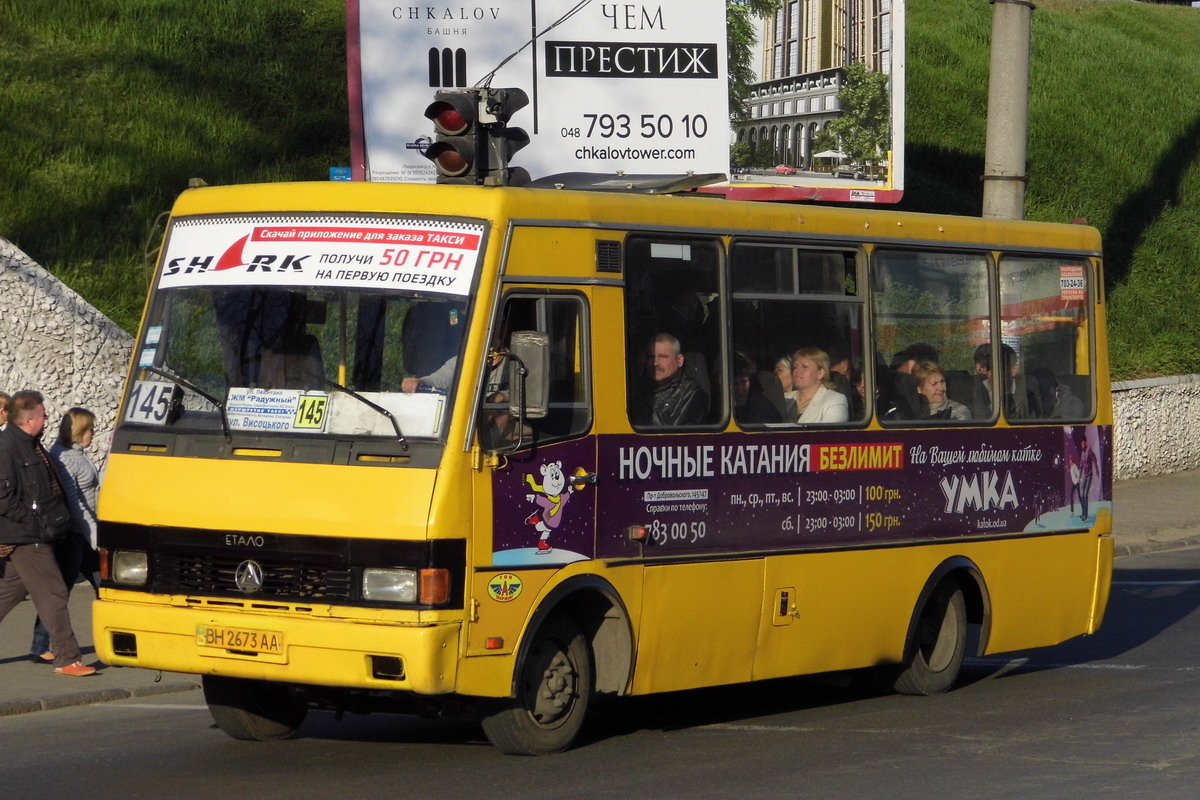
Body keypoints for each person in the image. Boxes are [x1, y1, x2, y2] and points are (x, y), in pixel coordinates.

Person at [0, 391, 96, 676]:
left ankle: (65, 657)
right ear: (29, 420)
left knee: (6, 594)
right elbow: (3, 497)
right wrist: (35, 524)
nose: (47, 418)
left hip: (37, 534)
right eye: (43, 414)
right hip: (28, 537)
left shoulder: (32, 445)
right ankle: (67, 659)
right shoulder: (7, 448)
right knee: (54, 594)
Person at [29, 408, 103, 663]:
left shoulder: (78, 454)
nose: (94, 433)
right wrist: (95, 535)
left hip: (86, 533)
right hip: (73, 536)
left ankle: (116, 639)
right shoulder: (62, 457)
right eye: (90, 429)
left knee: (105, 586)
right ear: (79, 431)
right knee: (59, 592)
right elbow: (75, 501)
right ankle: (40, 647)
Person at [638, 333, 707, 426]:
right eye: (651, 357)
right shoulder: (637, 389)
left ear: (679, 361)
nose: (655, 363)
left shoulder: (691, 394)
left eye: (662, 357)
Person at [791, 346, 849, 424]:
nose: (797, 370)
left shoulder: (835, 401)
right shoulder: (784, 398)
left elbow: (829, 435)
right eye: (795, 366)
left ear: (820, 373)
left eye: (804, 366)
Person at [733, 353, 782, 424]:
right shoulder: (716, 406)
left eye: (744, 382)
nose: (740, 391)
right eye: (735, 384)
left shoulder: (763, 409)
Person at [1078, 437, 1099, 521]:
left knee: (1085, 495)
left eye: (1083, 443)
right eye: (1081, 443)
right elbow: (1081, 466)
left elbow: (1094, 459)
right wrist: (1079, 477)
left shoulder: (1089, 450)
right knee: (1082, 495)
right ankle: (1083, 513)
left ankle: (1085, 515)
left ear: (1085, 443)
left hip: (1089, 475)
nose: (1082, 444)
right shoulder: (1082, 454)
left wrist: (1097, 471)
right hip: (1084, 476)